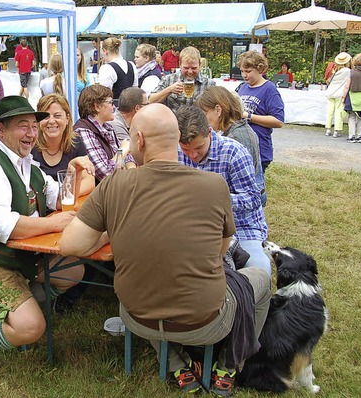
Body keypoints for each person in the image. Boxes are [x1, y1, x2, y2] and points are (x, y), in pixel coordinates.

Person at [59, 103, 271, 398]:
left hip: (139, 317)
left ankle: (176, 364)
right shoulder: (214, 186)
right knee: (261, 278)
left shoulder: (114, 185)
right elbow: (220, 251)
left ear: (141, 140)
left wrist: (113, 228)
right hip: (207, 322)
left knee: (146, 287)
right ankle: (229, 366)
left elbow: (70, 245)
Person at [0, 95, 93, 390]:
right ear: (1, 130)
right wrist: (51, 223)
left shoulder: (29, 165)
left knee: (73, 270)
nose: (31, 133)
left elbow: (57, 196)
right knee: (32, 327)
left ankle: (19, 305)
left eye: (32, 127)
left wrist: (80, 171)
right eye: (21, 126)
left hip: (15, 256)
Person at [177, 105, 270, 276]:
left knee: (260, 270)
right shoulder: (175, 153)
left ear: (210, 133)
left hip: (240, 226)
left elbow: (252, 199)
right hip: (194, 225)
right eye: (186, 149)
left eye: (198, 148)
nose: (192, 155)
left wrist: (214, 200)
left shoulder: (234, 152)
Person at [196, 86, 267, 206]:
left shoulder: (238, 138)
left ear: (218, 110)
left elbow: (247, 193)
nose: (202, 120)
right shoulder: (233, 130)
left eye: (205, 114)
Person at [32, 93, 95, 195]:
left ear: (67, 118)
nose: (51, 121)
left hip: (67, 205)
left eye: (57, 116)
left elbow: (89, 181)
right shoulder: (30, 145)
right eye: (46, 117)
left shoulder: (76, 142)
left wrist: (64, 197)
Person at [73, 84, 136, 184]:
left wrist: (132, 173)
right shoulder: (83, 131)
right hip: (98, 196)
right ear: (97, 106)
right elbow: (105, 174)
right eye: (111, 103)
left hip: (116, 188)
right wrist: (122, 150)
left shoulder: (107, 127)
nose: (114, 107)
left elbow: (128, 157)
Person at [236, 50, 284, 173]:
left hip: (259, 150)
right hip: (242, 147)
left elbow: (278, 121)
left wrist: (249, 116)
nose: (244, 75)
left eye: (248, 71)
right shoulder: (242, 87)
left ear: (260, 69)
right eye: (242, 71)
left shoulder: (269, 89)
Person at [149, 46, 215, 113]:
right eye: (186, 68)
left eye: (194, 68)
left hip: (199, 122)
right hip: (175, 122)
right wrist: (169, 90)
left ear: (199, 65)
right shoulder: (168, 80)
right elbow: (150, 101)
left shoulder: (209, 84)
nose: (190, 72)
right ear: (180, 64)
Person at [97, 37, 138, 106]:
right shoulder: (132, 65)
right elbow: (135, 90)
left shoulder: (106, 68)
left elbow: (104, 95)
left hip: (114, 110)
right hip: (131, 108)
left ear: (105, 51)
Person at [342, 52, 361, 143]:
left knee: (352, 116)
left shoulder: (351, 72)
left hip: (352, 96)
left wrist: (343, 97)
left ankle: (352, 136)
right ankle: (359, 136)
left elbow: (347, 86)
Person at [324, 52, 351, 138]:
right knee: (338, 112)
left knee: (329, 111)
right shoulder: (348, 71)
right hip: (339, 93)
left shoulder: (334, 70)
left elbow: (328, 81)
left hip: (330, 92)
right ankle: (336, 130)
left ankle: (328, 129)